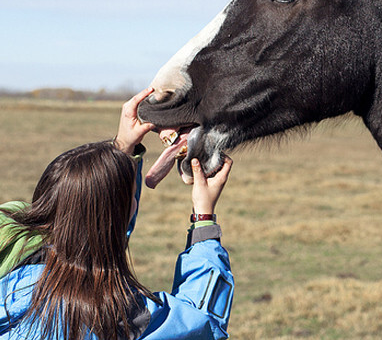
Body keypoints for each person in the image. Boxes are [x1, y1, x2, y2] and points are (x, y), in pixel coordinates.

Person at [0, 88, 234, 340]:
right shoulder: (119, 313)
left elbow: (100, 222)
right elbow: (201, 323)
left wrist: (123, 147)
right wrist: (204, 220)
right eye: (132, 194)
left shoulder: (12, 276)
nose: (135, 200)